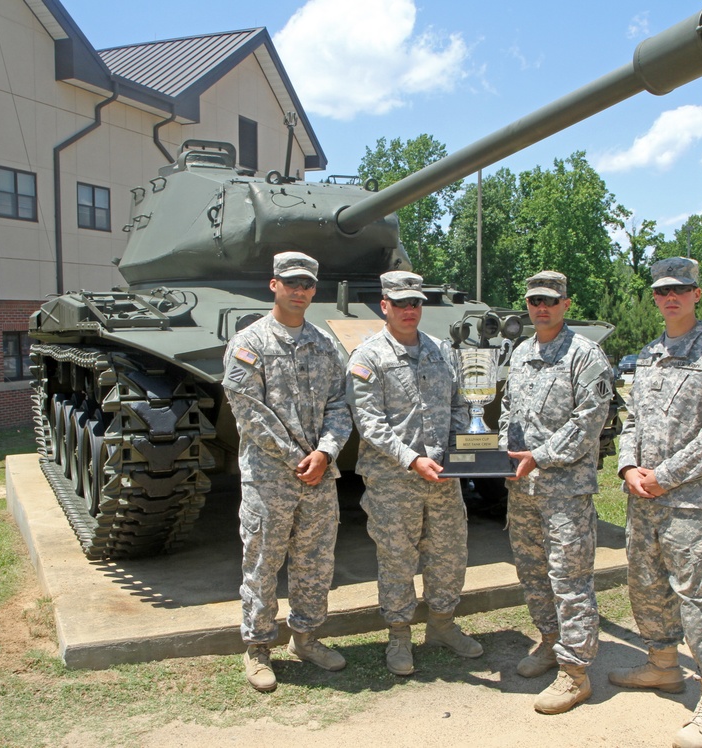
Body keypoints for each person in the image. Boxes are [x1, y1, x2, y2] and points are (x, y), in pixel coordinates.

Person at [609, 257, 702, 748]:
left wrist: (664, 477)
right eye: (663, 291)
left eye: (681, 289)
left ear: (695, 294)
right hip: (643, 500)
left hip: (692, 505)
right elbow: (630, 420)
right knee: (646, 586)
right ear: (654, 299)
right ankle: (663, 665)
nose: (671, 297)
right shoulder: (646, 355)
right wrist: (628, 467)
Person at [221, 251, 353, 693]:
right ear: (273, 284)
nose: (300, 290)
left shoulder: (326, 343)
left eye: (308, 284)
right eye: (291, 282)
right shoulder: (250, 342)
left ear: (315, 290)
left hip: (319, 476)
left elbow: (341, 406)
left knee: (315, 564)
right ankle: (258, 648)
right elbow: (249, 412)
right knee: (262, 564)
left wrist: (326, 452)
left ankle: (307, 637)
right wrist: (299, 457)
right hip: (270, 479)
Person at [346, 270, 482, 676]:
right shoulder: (368, 356)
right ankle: (399, 636)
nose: (409, 310)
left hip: (442, 477)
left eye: (415, 303)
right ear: (384, 305)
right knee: (397, 560)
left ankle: (442, 625)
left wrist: (461, 451)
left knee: (449, 554)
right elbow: (368, 422)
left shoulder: (440, 351)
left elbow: (461, 404)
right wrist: (411, 459)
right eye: (401, 303)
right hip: (394, 480)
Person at [498, 270, 613, 714]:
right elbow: (509, 406)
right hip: (523, 487)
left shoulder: (586, 356)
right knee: (532, 572)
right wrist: (505, 453)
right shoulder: (523, 352)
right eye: (533, 301)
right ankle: (549, 641)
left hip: (564, 490)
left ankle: (575, 672)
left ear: (566, 303)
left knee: (569, 578)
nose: (541, 308)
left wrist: (539, 456)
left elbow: (589, 421)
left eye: (550, 300)